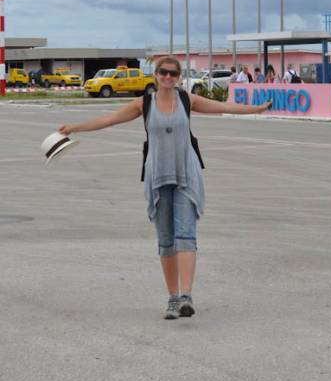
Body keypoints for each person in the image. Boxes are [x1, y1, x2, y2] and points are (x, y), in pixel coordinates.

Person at [58, 56, 270, 320]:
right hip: (158, 178)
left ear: (178, 77)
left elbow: (224, 107)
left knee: (186, 235)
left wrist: (256, 109)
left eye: (173, 73)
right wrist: (74, 128)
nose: (168, 77)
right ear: (156, 75)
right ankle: (172, 298)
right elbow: (109, 120)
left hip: (186, 176)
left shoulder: (187, 100)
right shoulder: (143, 103)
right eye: (163, 72)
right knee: (167, 241)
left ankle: (186, 296)